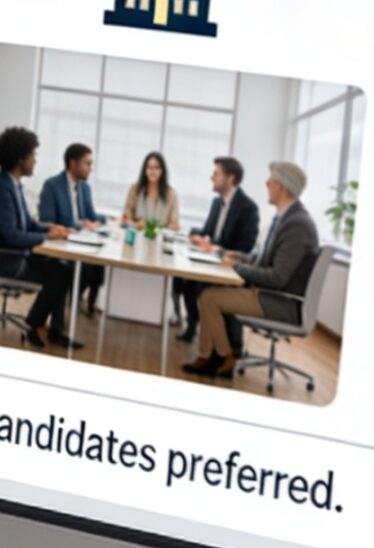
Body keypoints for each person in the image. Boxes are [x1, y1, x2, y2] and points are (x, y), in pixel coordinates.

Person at [182, 162, 320, 380]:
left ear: (282, 187)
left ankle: (223, 356)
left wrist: (236, 267)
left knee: (209, 298)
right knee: (208, 294)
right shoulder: (284, 217)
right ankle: (212, 356)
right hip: (272, 295)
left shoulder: (297, 224)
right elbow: (262, 259)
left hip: (281, 301)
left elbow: (277, 277)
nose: (266, 183)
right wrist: (232, 256)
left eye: (271, 180)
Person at [0, 126, 81, 351]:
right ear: (20, 157)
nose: (35, 160)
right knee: (61, 272)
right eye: (33, 155)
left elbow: (27, 223)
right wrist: (46, 236)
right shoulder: (1, 188)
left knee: (63, 267)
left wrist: (51, 227)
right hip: (5, 261)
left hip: (15, 254)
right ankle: (35, 324)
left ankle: (53, 330)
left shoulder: (11, 184)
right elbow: (11, 235)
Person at [175, 156, 260, 345]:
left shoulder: (248, 208)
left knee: (201, 288)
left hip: (229, 269)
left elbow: (245, 248)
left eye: (216, 174)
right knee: (187, 284)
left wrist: (215, 248)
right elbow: (208, 232)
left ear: (230, 179)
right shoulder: (217, 203)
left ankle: (226, 341)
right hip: (212, 263)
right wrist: (196, 235)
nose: (211, 177)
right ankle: (192, 327)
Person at [39, 142, 110, 316]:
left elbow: (91, 214)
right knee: (82, 267)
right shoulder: (52, 185)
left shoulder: (85, 187)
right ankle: (66, 308)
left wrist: (108, 221)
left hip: (82, 241)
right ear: (73, 163)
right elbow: (47, 220)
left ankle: (77, 302)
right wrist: (80, 224)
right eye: (87, 163)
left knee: (99, 264)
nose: (90, 168)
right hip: (62, 244)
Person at [121, 151, 179, 231]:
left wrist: (159, 230)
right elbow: (125, 218)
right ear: (145, 170)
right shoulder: (135, 189)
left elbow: (174, 224)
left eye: (157, 168)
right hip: (137, 234)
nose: (153, 171)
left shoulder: (170, 193)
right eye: (149, 167)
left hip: (160, 237)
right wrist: (138, 226)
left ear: (162, 171)